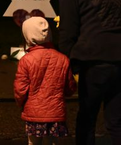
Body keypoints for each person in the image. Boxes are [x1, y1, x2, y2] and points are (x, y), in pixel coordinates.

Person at [52, 0, 120, 145]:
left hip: (94, 59)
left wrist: (69, 65)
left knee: (87, 120)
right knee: (117, 121)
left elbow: (68, 32)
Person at [15, 17, 78, 145]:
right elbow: (70, 88)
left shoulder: (26, 60)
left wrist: (21, 103)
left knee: (33, 142)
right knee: (53, 142)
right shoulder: (63, 59)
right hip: (56, 113)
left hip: (34, 113)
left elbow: (20, 89)